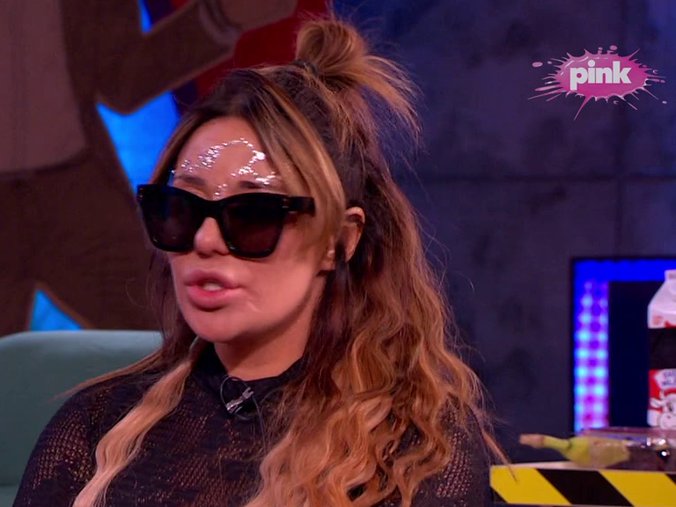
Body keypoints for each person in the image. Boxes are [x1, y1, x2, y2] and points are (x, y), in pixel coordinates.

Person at [13, 16, 502, 507]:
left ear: (339, 239)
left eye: (252, 215)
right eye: (181, 210)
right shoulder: (96, 423)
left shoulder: (414, 448)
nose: (205, 240)